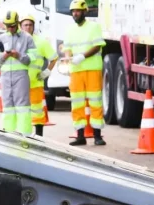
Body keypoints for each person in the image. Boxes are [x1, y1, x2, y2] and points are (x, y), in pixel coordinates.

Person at [64, 0, 106, 146]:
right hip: (76, 71)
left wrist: (82, 56)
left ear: (84, 12)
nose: (75, 13)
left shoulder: (94, 27)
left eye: (78, 11)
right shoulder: (70, 30)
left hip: (92, 69)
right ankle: (80, 136)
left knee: (95, 103)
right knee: (77, 104)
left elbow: (97, 46)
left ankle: (97, 136)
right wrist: (69, 57)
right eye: (73, 11)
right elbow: (67, 48)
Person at [0, 11, 37, 136]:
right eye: (7, 26)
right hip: (6, 78)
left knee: (22, 107)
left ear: (17, 23)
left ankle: (25, 135)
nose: (10, 28)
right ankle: (9, 134)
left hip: (21, 76)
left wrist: (19, 55)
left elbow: (32, 58)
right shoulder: (0, 39)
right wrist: (4, 56)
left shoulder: (27, 38)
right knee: (8, 108)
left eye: (12, 25)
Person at [19, 14, 58, 137]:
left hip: (35, 83)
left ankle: (39, 136)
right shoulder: (16, 42)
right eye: (25, 25)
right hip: (20, 84)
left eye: (30, 25)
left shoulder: (41, 42)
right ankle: (24, 135)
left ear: (33, 27)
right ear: (20, 26)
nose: (28, 27)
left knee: (37, 111)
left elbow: (54, 58)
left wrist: (47, 72)